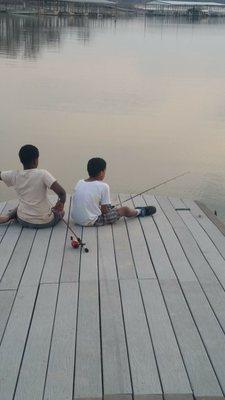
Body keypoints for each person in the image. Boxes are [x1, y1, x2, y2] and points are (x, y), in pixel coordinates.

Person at [71, 157, 156, 227]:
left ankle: (136, 211)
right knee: (124, 209)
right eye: (105, 171)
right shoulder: (104, 186)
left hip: (76, 219)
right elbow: (105, 212)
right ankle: (140, 211)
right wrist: (111, 209)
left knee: (109, 207)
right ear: (101, 173)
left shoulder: (80, 182)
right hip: (92, 221)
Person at [0, 144, 66, 228]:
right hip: (45, 222)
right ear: (35, 160)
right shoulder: (43, 174)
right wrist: (61, 203)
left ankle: (8, 216)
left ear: (21, 160)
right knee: (61, 212)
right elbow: (62, 193)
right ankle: (10, 216)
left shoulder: (14, 175)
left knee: (22, 205)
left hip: (22, 220)